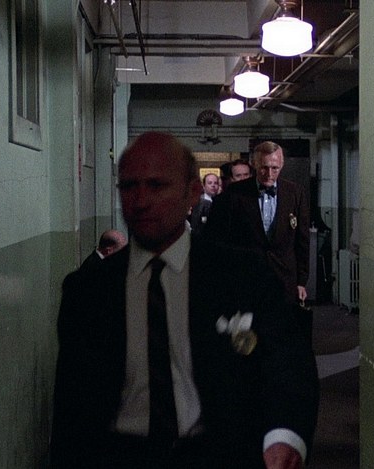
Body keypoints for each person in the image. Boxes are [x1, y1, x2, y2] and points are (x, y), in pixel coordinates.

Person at [51, 132, 319, 469]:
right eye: (130, 186)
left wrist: (284, 436)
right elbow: (72, 409)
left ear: (191, 192)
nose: (141, 200)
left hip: (219, 455)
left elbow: (288, 362)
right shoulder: (88, 290)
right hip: (120, 457)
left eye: (157, 185)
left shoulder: (243, 277)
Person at [204, 142, 310, 306]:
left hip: (284, 279)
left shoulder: (295, 193)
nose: (269, 174)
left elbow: (302, 241)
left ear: (282, 165)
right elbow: (218, 239)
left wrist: (301, 281)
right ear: (254, 165)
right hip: (245, 279)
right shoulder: (234, 193)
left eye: (275, 168)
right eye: (264, 168)